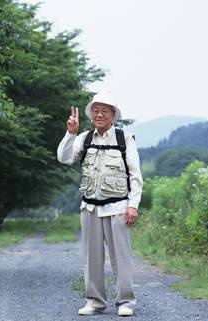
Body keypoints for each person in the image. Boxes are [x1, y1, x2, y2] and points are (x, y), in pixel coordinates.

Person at [57, 91, 143, 317]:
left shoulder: (125, 139)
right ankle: (94, 301)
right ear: (91, 114)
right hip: (90, 208)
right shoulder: (84, 138)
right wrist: (70, 133)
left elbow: (135, 176)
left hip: (118, 208)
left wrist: (133, 205)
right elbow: (64, 158)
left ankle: (125, 302)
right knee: (91, 258)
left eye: (105, 110)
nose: (99, 114)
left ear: (113, 115)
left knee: (121, 258)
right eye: (96, 110)